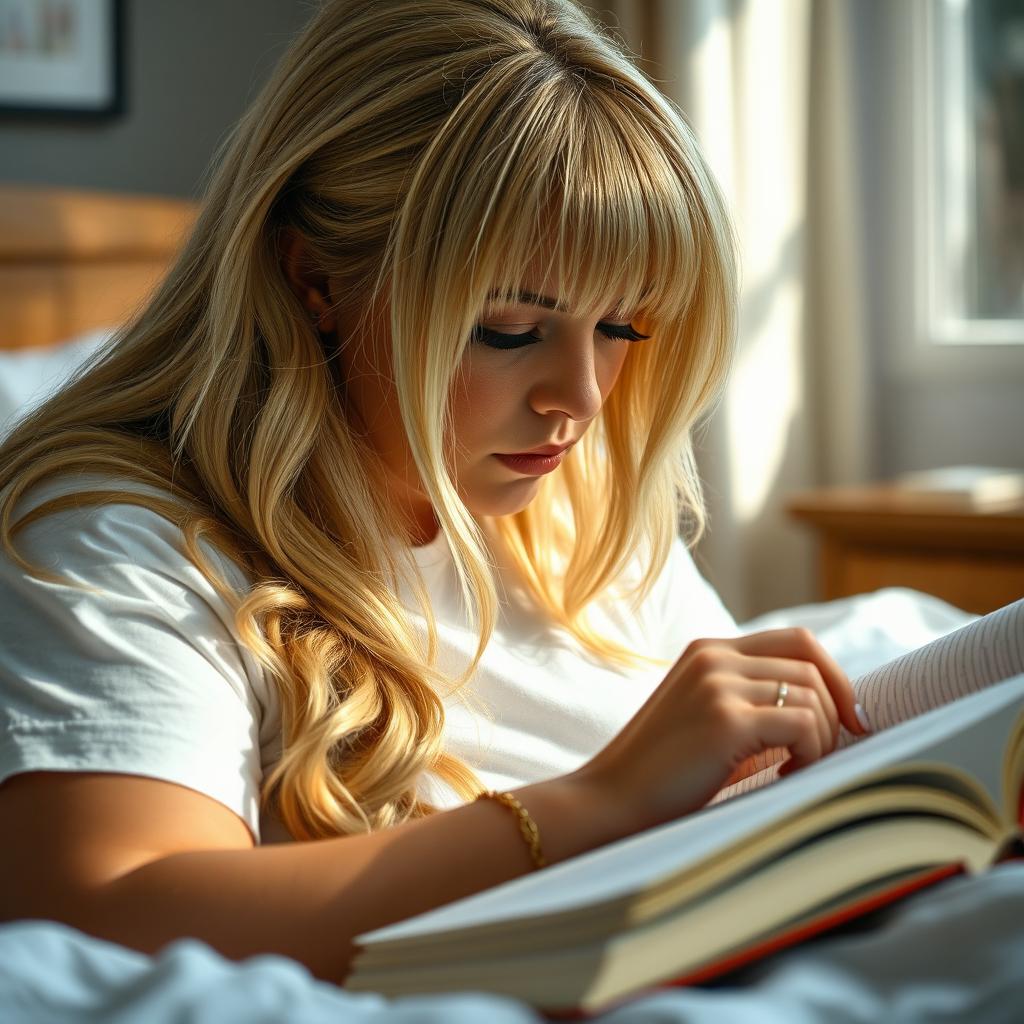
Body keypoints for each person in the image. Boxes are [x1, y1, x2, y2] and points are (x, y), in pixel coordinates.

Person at [0, 0, 867, 986]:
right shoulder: (117, 530)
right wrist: (598, 802)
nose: (578, 400)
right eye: (507, 327)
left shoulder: (576, 503)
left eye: (622, 327)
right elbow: (96, 913)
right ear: (313, 277)